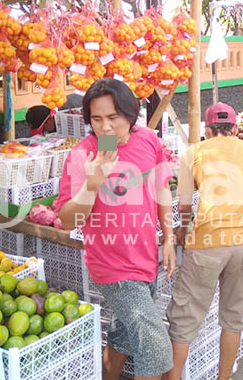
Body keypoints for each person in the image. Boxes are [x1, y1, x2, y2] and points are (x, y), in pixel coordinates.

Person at [55, 78, 176, 380]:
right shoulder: (84, 155)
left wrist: (169, 237)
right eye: (97, 119)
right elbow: (68, 220)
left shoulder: (148, 139)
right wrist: (92, 185)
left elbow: (162, 188)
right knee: (155, 346)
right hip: (113, 266)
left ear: (130, 114)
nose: (105, 128)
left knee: (122, 338)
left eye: (113, 117)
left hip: (146, 257)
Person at [164, 103, 243, 380]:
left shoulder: (193, 153)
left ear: (207, 130)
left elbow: (185, 206)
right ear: (235, 129)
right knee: (233, 319)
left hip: (206, 244)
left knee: (185, 319)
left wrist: (181, 231)